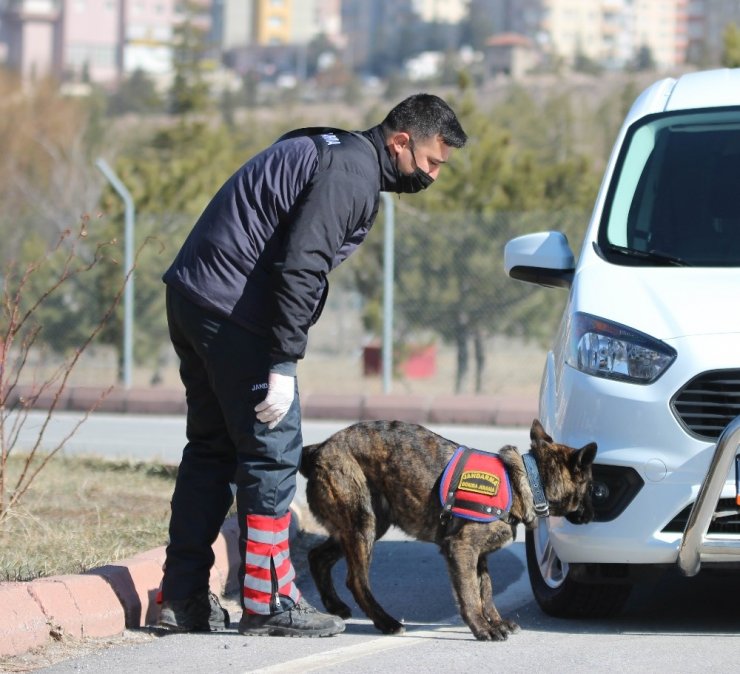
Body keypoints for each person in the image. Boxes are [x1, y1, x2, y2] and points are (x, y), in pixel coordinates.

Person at [156, 93, 468, 637]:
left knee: (212, 447)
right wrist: (282, 363)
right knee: (272, 453)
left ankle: (182, 596)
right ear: (399, 142)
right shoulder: (350, 174)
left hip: (193, 296)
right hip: (235, 312)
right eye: (430, 162)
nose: (433, 176)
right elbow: (301, 266)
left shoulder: (331, 148)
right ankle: (270, 601)